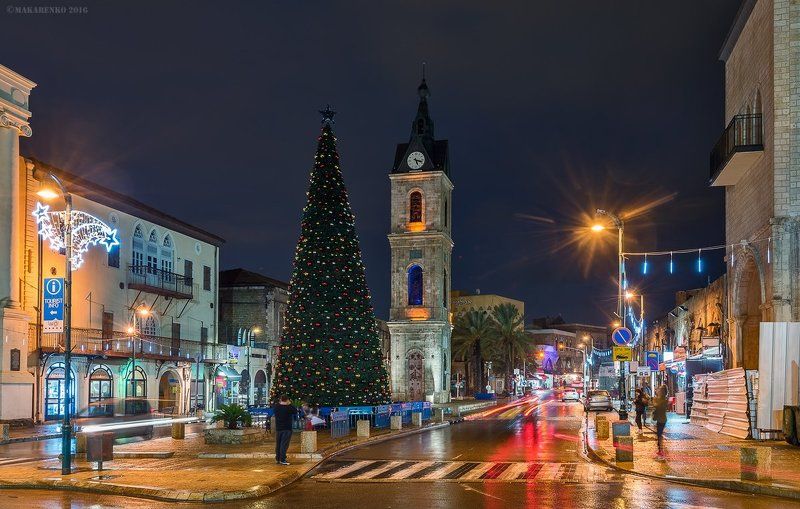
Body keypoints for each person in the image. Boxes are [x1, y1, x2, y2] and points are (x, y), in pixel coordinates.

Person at [273, 394, 297, 466]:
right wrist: (289, 404)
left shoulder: (277, 407)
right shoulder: (288, 407)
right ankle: (283, 459)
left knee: (278, 444)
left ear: (280, 399)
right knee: (284, 444)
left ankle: (278, 458)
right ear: (287, 400)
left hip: (278, 428)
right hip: (287, 428)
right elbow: (295, 411)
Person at [652, 384, 668, 460]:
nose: (658, 391)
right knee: (658, 435)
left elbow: (657, 406)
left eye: (660, 390)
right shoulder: (659, 399)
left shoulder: (663, 400)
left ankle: (661, 450)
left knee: (659, 435)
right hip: (659, 419)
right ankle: (660, 449)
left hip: (662, 419)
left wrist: (654, 401)